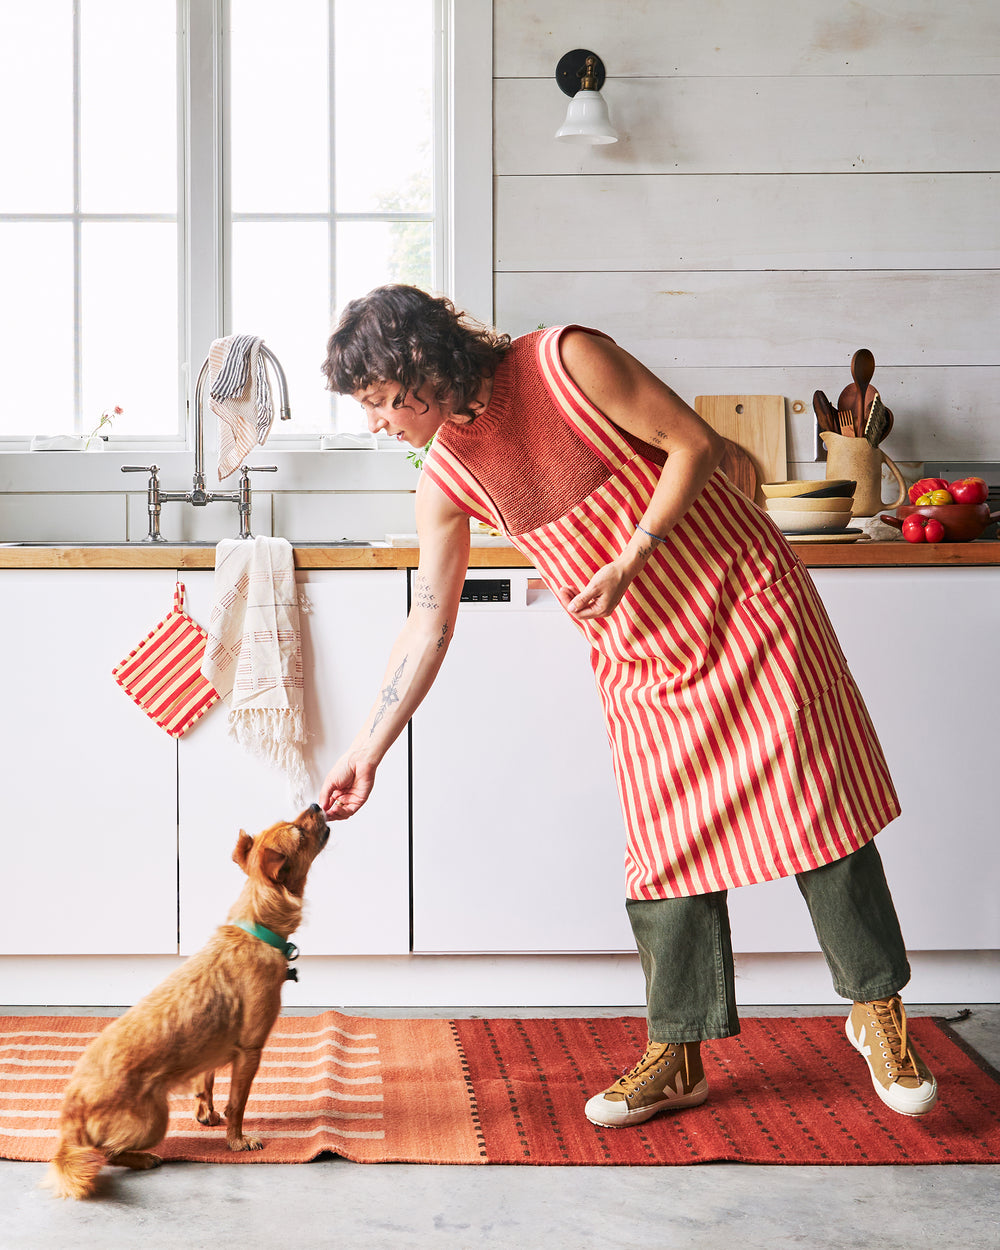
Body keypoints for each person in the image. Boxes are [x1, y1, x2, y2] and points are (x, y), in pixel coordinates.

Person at [318, 284, 937, 1127]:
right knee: (664, 849)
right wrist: (367, 749)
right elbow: (429, 624)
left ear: (422, 369)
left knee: (817, 810)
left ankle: (876, 1010)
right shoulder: (446, 478)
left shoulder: (567, 359)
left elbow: (694, 444)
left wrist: (634, 555)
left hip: (745, 603)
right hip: (642, 656)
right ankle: (678, 1055)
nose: (377, 424)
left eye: (382, 403)